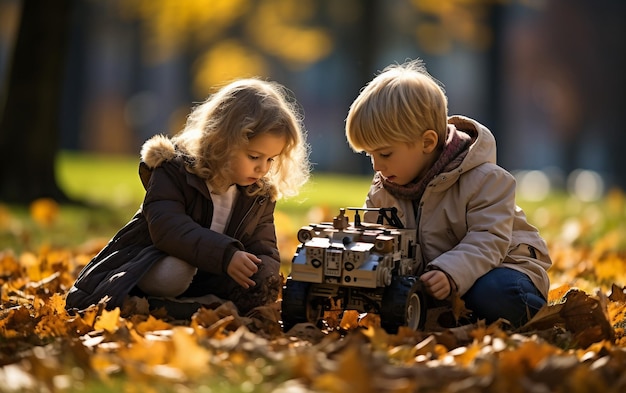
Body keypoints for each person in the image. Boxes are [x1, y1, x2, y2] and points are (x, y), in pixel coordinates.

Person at [65, 78, 310, 318]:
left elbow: (263, 245)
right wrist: (226, 255)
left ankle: (188, 306)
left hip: (211, 275)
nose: (263, 169)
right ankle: (155, 302)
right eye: (254, 157)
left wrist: (262, 275)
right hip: (151, 264)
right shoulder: (174, 170)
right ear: (222, 141)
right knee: (176, 271)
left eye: (271, 159)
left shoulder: (258, 193)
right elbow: (168, 229)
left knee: (255, 280)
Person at [345, 59, 551, 328]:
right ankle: (449, 318)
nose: (376, 165)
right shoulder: (384, 189)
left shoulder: (486, 179)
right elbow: (376, 241)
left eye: (384, 153)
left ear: (427, 142)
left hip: (502, 269)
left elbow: (488, 239)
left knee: (495, 293)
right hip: (433, 285)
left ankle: (525, 315)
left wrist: (450, 271)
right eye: (369, 155)